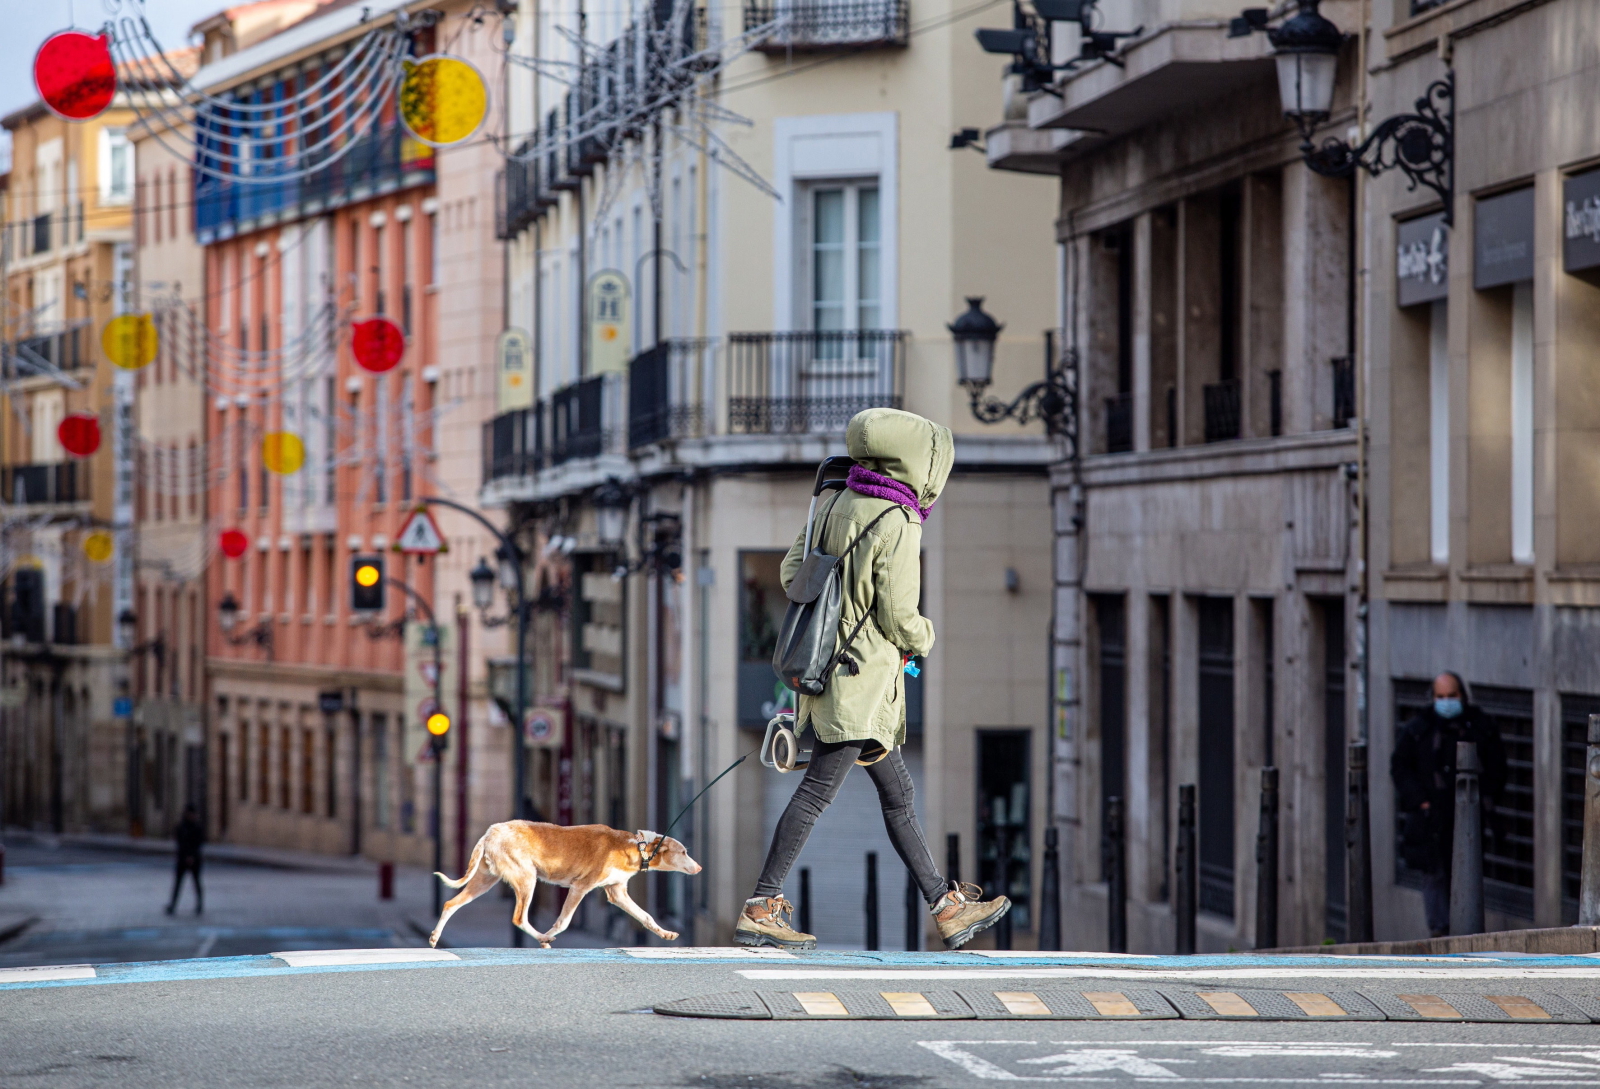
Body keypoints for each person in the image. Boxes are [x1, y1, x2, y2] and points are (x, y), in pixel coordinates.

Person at [736, 408, 1010, 951]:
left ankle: (946, 906)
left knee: (899, 794)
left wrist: (839, 589)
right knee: (818, 793)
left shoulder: (836, 499)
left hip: (829, 670)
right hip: (862, 683)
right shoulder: (898, 520)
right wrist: (925, 637)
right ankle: (762, 905)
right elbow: (900, 615)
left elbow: (793, 576)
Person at [1390, 672, 1507, 937]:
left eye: (1451, 696)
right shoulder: (1418, 729)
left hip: (1468, 813)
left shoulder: (1480, 725)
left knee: (1467, 871)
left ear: (1462, 696)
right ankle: (1440, 931)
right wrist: (1420, 801)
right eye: (1440, 697)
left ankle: (1466, 930)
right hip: (1430, 818)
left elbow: (1498, 767)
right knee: (1434, 874)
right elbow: (1400, 767)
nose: (1446, 702)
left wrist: (1485, 799)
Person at [166, 803, 204, 916]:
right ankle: (172, 905)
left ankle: (199, 905)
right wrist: (186, 856)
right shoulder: (181, 827)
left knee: (196, 883)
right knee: (178, 884)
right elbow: (180, 843)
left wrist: (192, 856)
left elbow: (198, 843)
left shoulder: (197, 827)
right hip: (182, 859)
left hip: (194, 860)